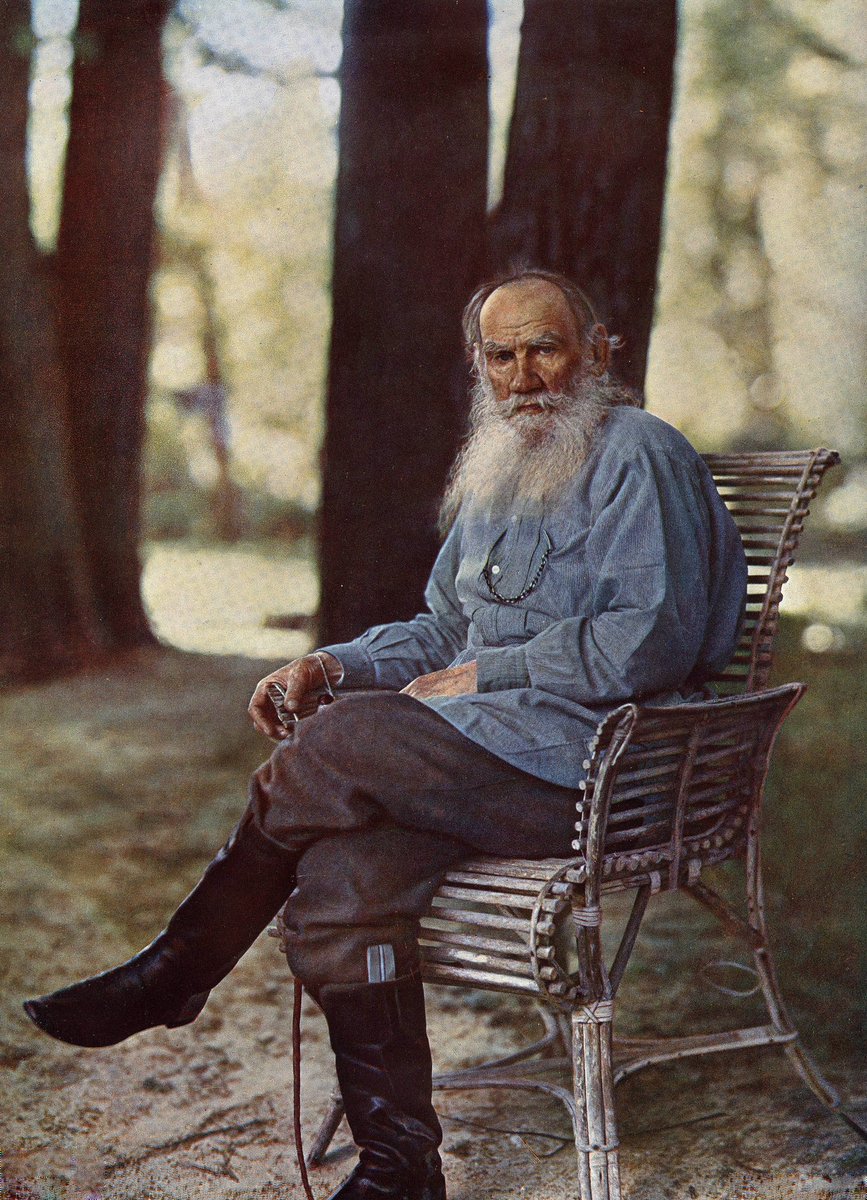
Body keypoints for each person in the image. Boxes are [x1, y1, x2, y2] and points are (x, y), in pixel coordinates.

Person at [24, 269, 747, 1200]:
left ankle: (178, 966)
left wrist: (489, 673)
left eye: (545, 348)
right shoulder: (503, 465)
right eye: (501, 356)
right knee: (340, 877)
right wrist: (331, 666)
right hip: (478, 766)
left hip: (595, 773)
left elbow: (649, 641)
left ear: (600, 352)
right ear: (478, 366)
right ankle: (401, 1165)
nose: (524, 376)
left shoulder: (638, 452)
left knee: (343, 739)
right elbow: (443, 629)